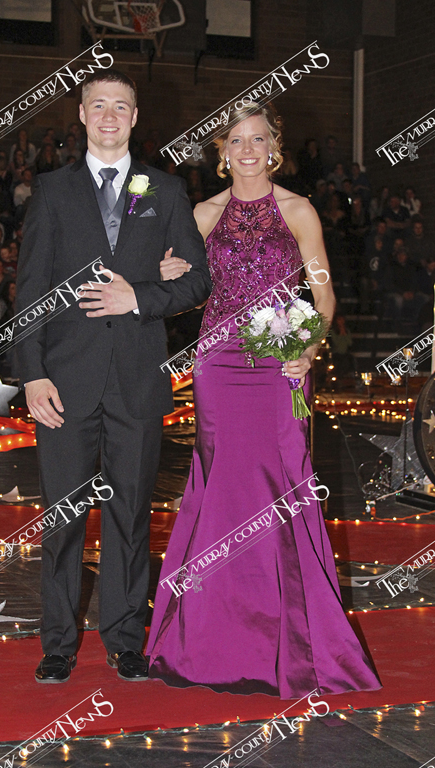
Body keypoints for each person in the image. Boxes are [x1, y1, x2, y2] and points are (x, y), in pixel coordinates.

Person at [146, 104, 381, 698]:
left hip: (282, 363)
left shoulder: (298, 210)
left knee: (281, 483)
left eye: (258, 139)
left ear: (274, 147)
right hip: (219, 363)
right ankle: (205, 635)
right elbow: (183, 286)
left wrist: (311, 348)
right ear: (222, 152)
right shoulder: (201, 214)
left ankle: (292, 637)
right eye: (236, 140)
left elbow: (323, 295)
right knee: (221, 483)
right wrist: (168, 269)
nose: (247, 149)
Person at [15, 69, 211, 685]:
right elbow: (31, 291)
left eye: (119, 106)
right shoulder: (52, 190)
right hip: (64, 382)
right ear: (81, 114)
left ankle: (126, 637)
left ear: (134, 116)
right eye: (97, 104)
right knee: (62, 517)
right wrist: (32, 375)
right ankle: (58, 643)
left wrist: (139, 297)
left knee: (130, 515)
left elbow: (198, 281)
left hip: (136, 379)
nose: (108, 115)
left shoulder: (166, 190)